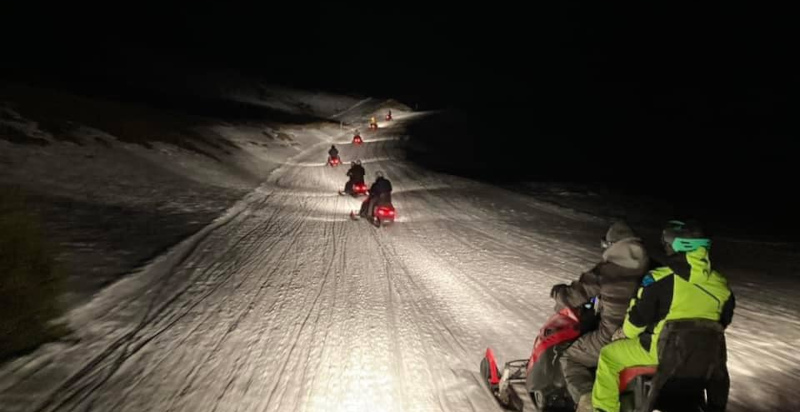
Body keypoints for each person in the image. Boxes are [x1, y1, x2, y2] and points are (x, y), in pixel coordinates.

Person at [591, 220, 735, 412]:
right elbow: (722, 323)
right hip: (704, 358)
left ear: (675, 247)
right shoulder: (722, 286)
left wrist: (622, 333)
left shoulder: (659, 279)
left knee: (609, 355)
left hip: (659, 352)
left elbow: (635, 323)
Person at [550, 221, 650, 412]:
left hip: (612, 337)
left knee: (571, 358)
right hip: (646, 340)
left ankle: (589, 403)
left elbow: (571, 296)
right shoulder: (654, 267)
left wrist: (558, 292)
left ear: (612, 246)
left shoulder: (605, 271)